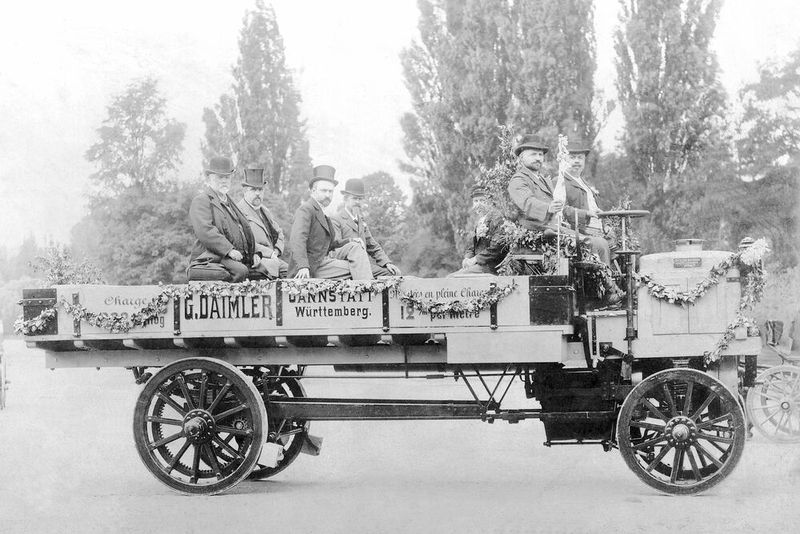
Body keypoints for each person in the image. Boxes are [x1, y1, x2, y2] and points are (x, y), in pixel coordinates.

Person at [507, 134, 610, 265]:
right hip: (538, 231)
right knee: (595, 244)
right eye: (533, 154)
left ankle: (603, 281)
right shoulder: (518, 180)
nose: (538, 158)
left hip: (554, 228)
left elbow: (560, 207)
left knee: (600, 243)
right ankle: (603, 283)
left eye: (540, 155)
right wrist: (548, 208)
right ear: (521, 157)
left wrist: (584, 213)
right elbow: (527, 202)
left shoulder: (543, 180)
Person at [288, 165, 373, 280]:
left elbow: (331, 245)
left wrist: (351, 240)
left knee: (355, 247)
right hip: (310, 267)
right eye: (324, 191)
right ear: (313, 191)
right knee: (358, 268)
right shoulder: (307, 209)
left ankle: (366, 287)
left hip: (322, 262)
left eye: (330, 191)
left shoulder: (323, 213)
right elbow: (297, 239)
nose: (328, 195)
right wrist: (303, 266)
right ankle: (369, 292)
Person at [187, 155, 261, 282]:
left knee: (263, 271)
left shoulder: (230, 202)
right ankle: (233, 300)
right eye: (220, 177)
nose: (224, 181)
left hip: (233, 258)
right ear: (210, 178)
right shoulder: (202, 201)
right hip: (210, 257)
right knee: (241, 271)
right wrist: (229, 250)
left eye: (227, 177)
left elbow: (244, 231)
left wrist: (255, 252)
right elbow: (206, 231)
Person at [331, 178, 401, 277]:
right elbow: (336, 247)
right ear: (345, 199)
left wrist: (387, 263)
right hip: (345, 266)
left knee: (392, 273)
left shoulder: (361, 221)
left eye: (360, 199)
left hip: (363, 265)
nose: (358, 202)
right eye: (354, 198)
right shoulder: (336, 219)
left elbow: (372, 245)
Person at [236, 168, 288, 279]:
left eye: (260, 189)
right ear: (245, 191)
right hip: (254, 259)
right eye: (253, 189)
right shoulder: (238, 211)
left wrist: (276, 251)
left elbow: (280, 233)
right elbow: (243, 241)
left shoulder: (265, 211)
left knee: (294, 273)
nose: (258, 193)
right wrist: (269, 253)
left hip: (272, 258)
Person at [450, 186, 507, 276]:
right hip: (478, 266)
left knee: (452, 278)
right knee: (450, 278)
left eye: (482, 201)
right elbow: (472, 246)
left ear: (490, 202)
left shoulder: (497, 219)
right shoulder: (480, 221)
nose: (478, 205)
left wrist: (475, 259)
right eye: (476, 201)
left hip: (492, 266)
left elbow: (496, 249)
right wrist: (467, 258)